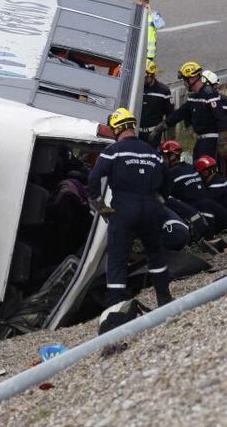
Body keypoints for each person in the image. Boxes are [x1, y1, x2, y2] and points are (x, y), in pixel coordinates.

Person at [87, 108, 173, 312]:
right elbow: (168, 178)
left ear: (117, 129)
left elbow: (93, 177)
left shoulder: (114, 151)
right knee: (155, 254)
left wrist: (99, 204)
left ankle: (116, 309)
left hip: (124, 209)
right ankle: (165, 299)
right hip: (150, 208)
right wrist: (160, 200)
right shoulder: (152, 152)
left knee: (117, 260)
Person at [166, 61, 227, 164]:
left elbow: (221, 118)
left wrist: (222, 142)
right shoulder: (195, 97)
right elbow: (179, 114)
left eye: (185, 80)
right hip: (201, 142)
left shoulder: (209, 95)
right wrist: (162, 126)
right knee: (197, 166)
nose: (184, 84)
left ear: (192, 79)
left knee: (204, 167)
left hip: (210, 144)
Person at [196, 155, 227, 228]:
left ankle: (208, 230)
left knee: (204, 203)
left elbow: (204, 201)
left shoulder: (217, 185)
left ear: (205, 172)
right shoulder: (220, 180)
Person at [138, 61, 172, 146]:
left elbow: (170, 115)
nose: (143, 80)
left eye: (145, 77)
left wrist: (162, 133)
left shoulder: (163, 91)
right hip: (136, 134)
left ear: (152, 75)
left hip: (154, 135)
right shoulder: (136, 88)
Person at [137, 0, 165, 64]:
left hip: (148, 54)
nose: (141, 3)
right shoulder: (135, 14)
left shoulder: (154, 15)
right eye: (140, 1)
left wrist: (150, 12)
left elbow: (161, 25)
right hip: (136, 51)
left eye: (144, 1)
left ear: (148, 2)